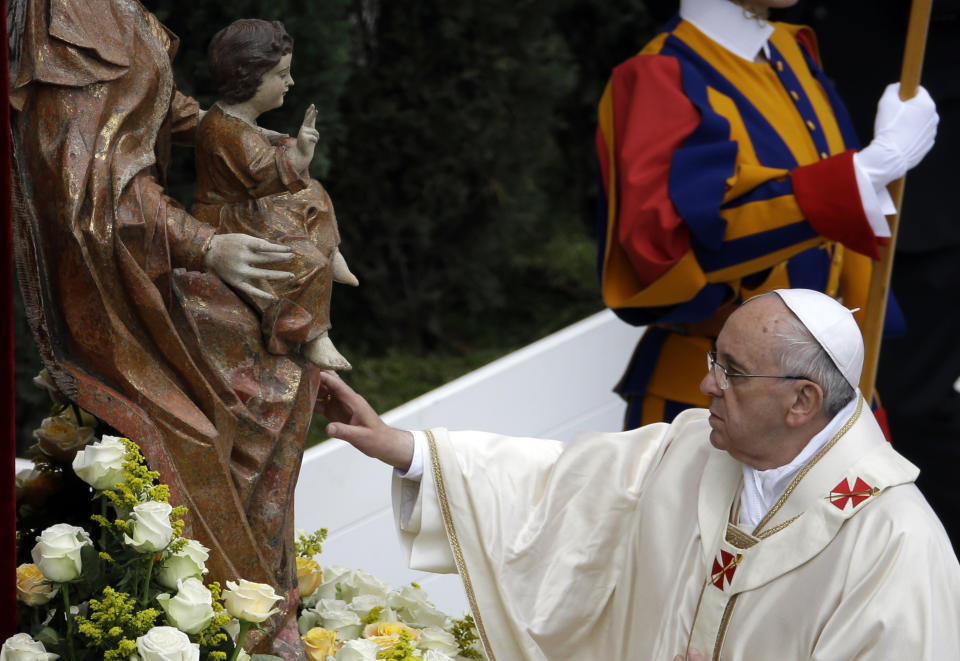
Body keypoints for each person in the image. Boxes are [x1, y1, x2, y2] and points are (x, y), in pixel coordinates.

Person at [316, 288, 960, 660]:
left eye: (732, 372)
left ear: (802, 403)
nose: (706, 383)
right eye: (714, 358)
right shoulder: (695, 451)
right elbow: (558, 486)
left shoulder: (894, 543)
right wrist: (407, 449)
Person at [9, 1, 319, 655]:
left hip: (140, 278)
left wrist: (231, 133)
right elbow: (90, 191)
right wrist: (205, 244)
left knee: (271, 390)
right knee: (209, 430)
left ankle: (253, 611)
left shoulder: (106, 15)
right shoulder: (74, 19)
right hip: (113, 295)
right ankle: (242, 629)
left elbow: (155, 104)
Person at [595, 0, 939, 429]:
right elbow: (672, 251)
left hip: (831, 394)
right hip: (711, 410)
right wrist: (865, 172)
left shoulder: (791, 50)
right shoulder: (658, 76)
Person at [195, 19, 358, 371]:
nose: (291, 83)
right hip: (230, 217)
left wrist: (287, 145)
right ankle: (310, 334)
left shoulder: (236, 122)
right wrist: (298, 155)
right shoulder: (225, 130)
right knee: (303, 261)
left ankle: (331, 251)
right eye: (282, 75)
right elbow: (262, 174)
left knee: (313, 192)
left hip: (250, 205)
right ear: (249, 78)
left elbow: (261, 148)